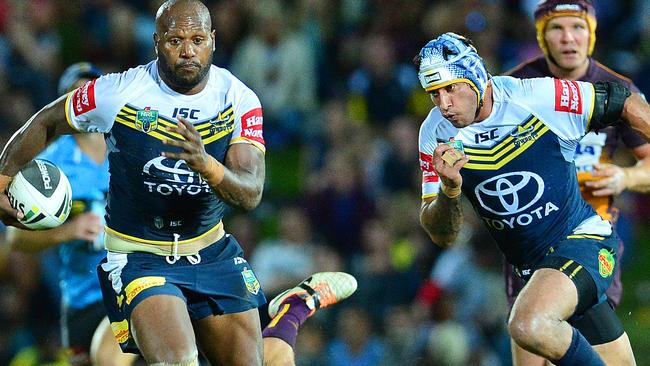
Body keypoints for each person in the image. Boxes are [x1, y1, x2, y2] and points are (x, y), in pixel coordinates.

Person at [0, 1, 357, 365]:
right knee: (176, 360)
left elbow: (250, 194)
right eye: (175, 41)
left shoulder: (238, 98)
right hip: (141, 257)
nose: (188, 51)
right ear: (156, 43)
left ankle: (291, 311)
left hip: (213, 254)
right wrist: (1, 181)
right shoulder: (120, 92)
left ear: (213, 41)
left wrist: (206, 164)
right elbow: (47, 121)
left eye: (197, 39)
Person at [416, 32, 650, 365]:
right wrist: (449, 190)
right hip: (533, 272)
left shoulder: (536, 97)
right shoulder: (434, 133)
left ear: (474, 77)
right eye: (434, 94)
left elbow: (621, 100)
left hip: (583, 243)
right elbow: (443, 234)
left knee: (527, 325)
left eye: (450, 88)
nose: (444, 105)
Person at [503, 1, 650, 365]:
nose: (569, 37)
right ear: (542, 37)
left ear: (592, 33)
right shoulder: (515, 89)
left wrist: (625, 175)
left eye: (578, 27)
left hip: (590, 240)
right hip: (531, 244)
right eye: (557, 28)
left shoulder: (618, 90)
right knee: (533, 340)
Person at [5, 62, 137, 366]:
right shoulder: (49, 164)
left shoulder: (130, 147)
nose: (85, 99)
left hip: (133, 285)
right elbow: (14, 238)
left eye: (91, 91)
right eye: (76, 94)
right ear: (63, 105)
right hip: (83, 297)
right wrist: (68, 230)